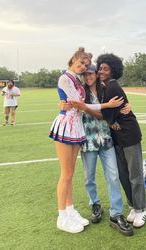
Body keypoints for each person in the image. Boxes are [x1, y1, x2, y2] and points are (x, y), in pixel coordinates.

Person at [49, 48, 124, 234]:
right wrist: (106, 105)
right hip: (68, 127)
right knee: (68, 174)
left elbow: (77, 104)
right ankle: (62, 215)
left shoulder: (79, 82)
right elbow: (79, 104)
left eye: (87, 66)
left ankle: (70, 210)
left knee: (70, 174)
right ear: (73, 59)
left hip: (78, 129)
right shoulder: (66, 78)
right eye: (81, 64)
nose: (84, 68)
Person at [68, 64, 133, 236]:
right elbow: (83, 110)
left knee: (113, 176)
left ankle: (116, 214)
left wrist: (128, 105)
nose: (88, 76)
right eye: (85, 74)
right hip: (88, 141)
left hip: (106, 140)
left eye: (91, 73)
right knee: (89, 177)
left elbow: (119, 103)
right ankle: (95, 204)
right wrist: (103, 108)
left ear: (96, 74)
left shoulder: (106, 89)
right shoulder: (80, 91)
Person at [96, 53, 146, 228]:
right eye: (100, 68)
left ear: (113, 71)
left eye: (106, 68)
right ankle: (133, 205)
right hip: (117, 137)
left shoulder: (112, 87)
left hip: (129, 134)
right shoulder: (104, 87)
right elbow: (109, 115)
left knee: (134, 174)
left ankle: (142, 208)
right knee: (123, 174)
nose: (102, 71)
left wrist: (84, 108)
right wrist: (111, 120)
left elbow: (104, 114)